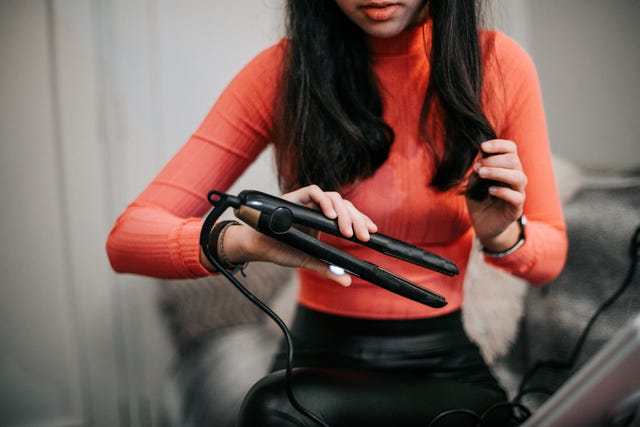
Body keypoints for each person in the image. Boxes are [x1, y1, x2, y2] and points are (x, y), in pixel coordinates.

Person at [106, 0, 567, 425]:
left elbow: (551, 257)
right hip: (318, 358)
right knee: (275, 412)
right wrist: (246, 242)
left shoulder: (498, 65)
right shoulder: (285, 73)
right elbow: (127, 240)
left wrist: (504, 234)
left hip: (446, 361)